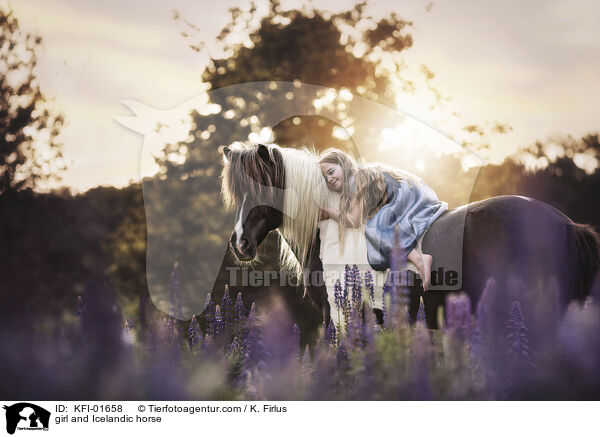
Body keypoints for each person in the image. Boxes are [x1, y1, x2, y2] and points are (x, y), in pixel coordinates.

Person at [318, 148, 447, 291]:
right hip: (412, 193)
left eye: (331, 172)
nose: (330, 179)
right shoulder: (362, 176)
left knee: (375, 228)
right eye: (326, 179)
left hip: (402, 197)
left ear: (343, 164)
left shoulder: (356, 180)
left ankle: (419, 258)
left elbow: (354, 220)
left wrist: (329, 211)